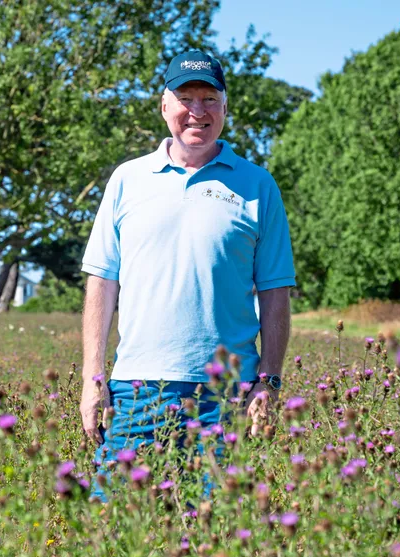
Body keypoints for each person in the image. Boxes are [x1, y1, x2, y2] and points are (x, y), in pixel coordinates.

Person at [80, 50, 296, 501]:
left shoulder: (258, 185)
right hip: (137, 389)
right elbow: (102, 282)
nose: (197, 111)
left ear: (224, 107)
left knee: (217, 535)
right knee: (118, 527)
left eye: (209, 98)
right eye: (185, 98)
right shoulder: (127, 180)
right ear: (164, 106)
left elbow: (276, 291)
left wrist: (269, 381)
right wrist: (92, 378)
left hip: (228, 394)